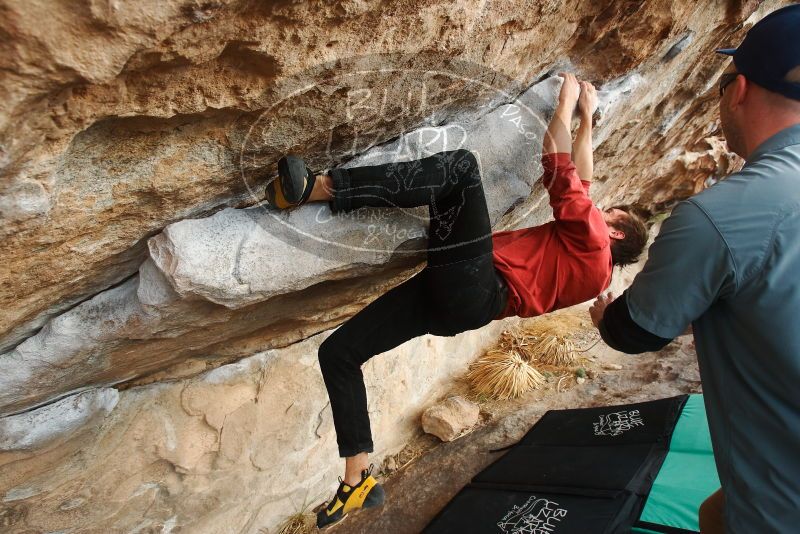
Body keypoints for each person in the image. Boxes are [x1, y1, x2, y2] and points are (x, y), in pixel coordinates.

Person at [266, 73, 648, 529]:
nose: (600, 209)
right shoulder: (593, 261)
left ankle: (319, 189)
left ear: (617, 231)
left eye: (611, 213)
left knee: (461, 169)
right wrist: (588, 116)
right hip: (462, 302)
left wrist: (564, 105)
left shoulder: (595, 244)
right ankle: (357, 480)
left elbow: (562, 169)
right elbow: (583, 184)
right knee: (340, 352)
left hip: (477, 284)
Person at [588, 5, 800, 533]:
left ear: (740, 88)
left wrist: (609, 318)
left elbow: (635, 331)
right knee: (714, 513)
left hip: (781, 506)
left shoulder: (719, 216)